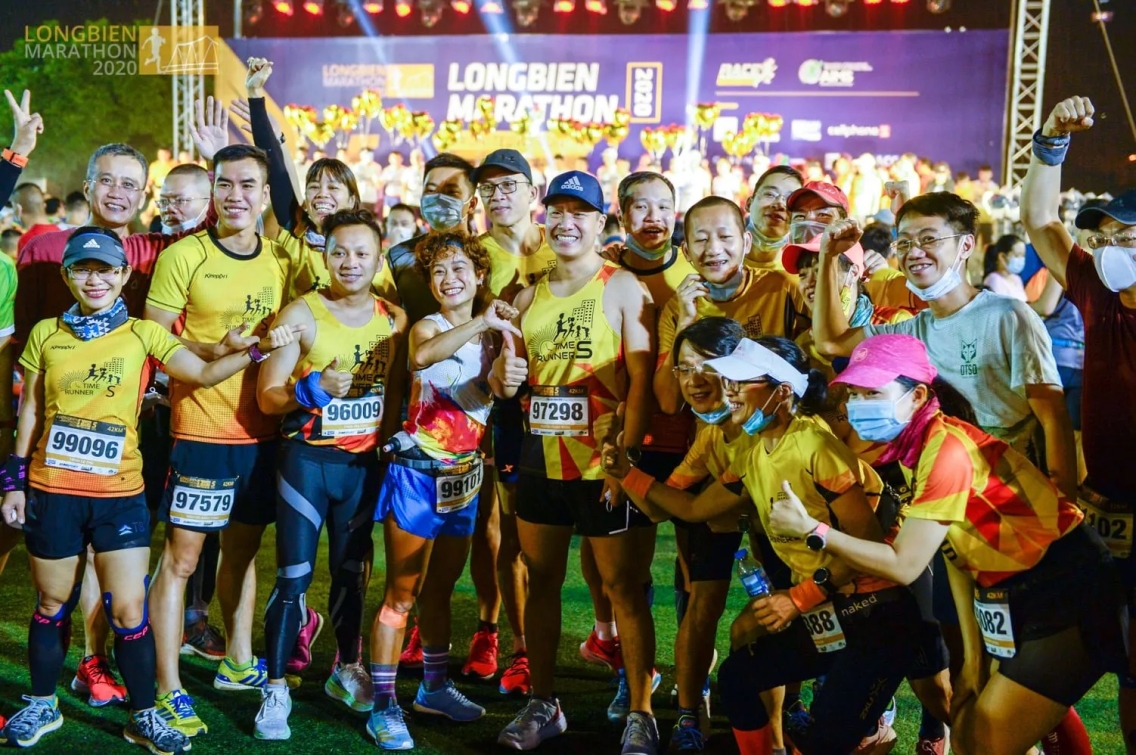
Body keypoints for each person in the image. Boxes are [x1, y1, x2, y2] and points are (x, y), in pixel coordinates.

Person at [0, 227, 296, 753]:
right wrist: (14, 479)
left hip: (119, 494)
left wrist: (253, 353)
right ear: (69, 274)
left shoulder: (143, 334)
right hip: (53, 487)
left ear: (123, 275)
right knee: (50, 602)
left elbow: (202, 373)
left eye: (106, 269)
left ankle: (143, 714)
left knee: (130, 610)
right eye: (83, 269)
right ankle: (42, 704)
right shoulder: (46, 333)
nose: (95, 279)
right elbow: (31, 411)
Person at [767, 334, 1127, 755]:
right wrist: (971, 663)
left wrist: (814, 529)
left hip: (1066, 590)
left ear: (918, 395)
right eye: (854, 393)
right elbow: (954, 553)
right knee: (972, 736)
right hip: (1015, 589)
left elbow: (905, 565)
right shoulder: (917, 447)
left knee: (989, 740)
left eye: (873, 393)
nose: (857, 405)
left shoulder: (946, 451)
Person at [605, 336, 917, 754]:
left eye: (740, 383)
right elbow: (695, 509)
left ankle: (879, 731)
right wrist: (628, 474)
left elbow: (868, 544)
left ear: (782, 391)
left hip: (878, 611)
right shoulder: (754, 451)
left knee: (933, 702)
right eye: (728, 381)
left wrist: (800, 597)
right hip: (831, 604)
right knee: (739, 676)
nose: (728, 391)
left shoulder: (814, 447)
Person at [14, 107, 226, 709]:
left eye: (131, 183)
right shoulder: (43, 247)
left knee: (117, 556)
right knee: (54, 557)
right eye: (107, 179)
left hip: (141, 429)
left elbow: (225, 234)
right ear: (87, 185)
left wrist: (215, 164)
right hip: (52, 429)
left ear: (144, 195)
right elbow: (28, 347)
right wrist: (17, 154)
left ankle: (102, 658)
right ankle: (81, 664)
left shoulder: (161, 249)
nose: (118, 191)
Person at [492, 171, 660, 754]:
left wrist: (626, 460)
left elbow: (641, 381)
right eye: (557, 212)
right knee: (542, 580)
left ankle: (641, 709)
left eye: (580, 213)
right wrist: (502, 377)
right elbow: (507, 382)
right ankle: (544, 701)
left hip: (604, 465)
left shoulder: (623, 288)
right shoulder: (524, 295)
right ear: (545, 219)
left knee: (624, 586)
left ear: (599, 223)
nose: (566, 223)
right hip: (541, 460)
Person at [144, 143, 297, 736]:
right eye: (224, 184)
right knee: (182, 561)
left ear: (264, 195)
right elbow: (153, 339)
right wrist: (214, 350)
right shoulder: (185, 255)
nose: (235, 196)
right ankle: (168, 686)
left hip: (263, 431)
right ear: (212, 191)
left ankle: (237, 660)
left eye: (247, 185)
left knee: (243, 550)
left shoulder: (282, 257)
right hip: (202, 428)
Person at [253, 209, 406, 740]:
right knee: (293, 577)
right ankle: (275, 689)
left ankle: (346, 667)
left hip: (363, 467)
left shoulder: (395, 319)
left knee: (351, 572)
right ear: (325, 255)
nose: (350, 262)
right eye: (339, 251)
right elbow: (266, 394)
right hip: (307, 463)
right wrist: (311, 389)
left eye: (362, 252)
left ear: (378, 257)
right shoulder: (303, 313)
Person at [812, 196, 1076, 499]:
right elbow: (830, 341)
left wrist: (1063, 502)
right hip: (950, 501)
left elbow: (1053, 415)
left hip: (1015, 499)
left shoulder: (1008, 316)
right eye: (905, 243)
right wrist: (828, 257)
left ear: (966, 246)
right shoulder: (912, 331)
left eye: (929, 239)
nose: (915, 252)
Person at [366, 231, 515, 749]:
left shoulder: (496, 336)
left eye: (459, 270)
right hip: (418, 473)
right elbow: (423, 357)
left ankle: (433, 687)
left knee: (441, 589)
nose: (449, 279)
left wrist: (509, 371)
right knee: (400, 596)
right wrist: (482, 320)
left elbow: (497, 391)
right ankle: (383, 706)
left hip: (465, 475)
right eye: (439, 273)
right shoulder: (428, 325)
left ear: (479, 276)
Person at [1020, 94, 1136, 752]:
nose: (1112, 247)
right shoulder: (1095, 291)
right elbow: (1040, 220)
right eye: (1106, 236)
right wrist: (1051, 140)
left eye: (1128, 236)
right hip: (1101, 522)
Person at [459, 149, 553, 694]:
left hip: (553, 405)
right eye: (488, 187)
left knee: (539, 531)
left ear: (532, 192)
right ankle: (497, 635)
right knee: (490, 530)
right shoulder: (474, 254)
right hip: (492, 406)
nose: (499, 194)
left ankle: (567, 638)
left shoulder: (562, 241)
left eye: (509, 184)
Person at [654, 316, 753, 753]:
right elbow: (672, 502)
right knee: (701, 608)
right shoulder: (711, 433)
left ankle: (783, 717)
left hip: (783, 537)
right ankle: (691, 713)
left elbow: (696, 507)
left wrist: (629, 479)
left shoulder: (767, 429)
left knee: (763, 623)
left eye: (706, 366)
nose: (694, 380)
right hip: (727, 524)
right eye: (684, 368)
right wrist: (620, 473)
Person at [242, 58, 398, 311]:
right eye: (314, 186)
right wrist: (255, 94)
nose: (322, 194)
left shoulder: (367, 254)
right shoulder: (292, 235)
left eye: (333, 188)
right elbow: (277, 170)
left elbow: (392, 318)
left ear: (353, 201)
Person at [387, 152, 480, 325]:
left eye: (451, 192)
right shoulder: (398, 257)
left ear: (472, 204)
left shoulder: (485, 255)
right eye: (431, 191)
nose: (438, 199)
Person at [744, 166, 803, 272]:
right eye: (770, 194)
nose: (780, 203)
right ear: (749, 203)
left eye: (789, 200)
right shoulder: (716, 265)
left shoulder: (801, 276)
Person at [156, 164, 211, 236]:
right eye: (163, 201)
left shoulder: (223, 244)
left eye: (180, 201)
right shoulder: (152, 244)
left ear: (210, 204)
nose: (169, 208)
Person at [12, 183, 58, 254]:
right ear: (44, 205)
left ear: (18, 209)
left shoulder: (28, 241)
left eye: (13, 207)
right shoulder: (61, 233)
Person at [982, 235, 1028, 301]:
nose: (1021, 259)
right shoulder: (994, 279)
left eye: (1023, 255)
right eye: (1017, 255)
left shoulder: (1017, 279)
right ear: (1002, 257)